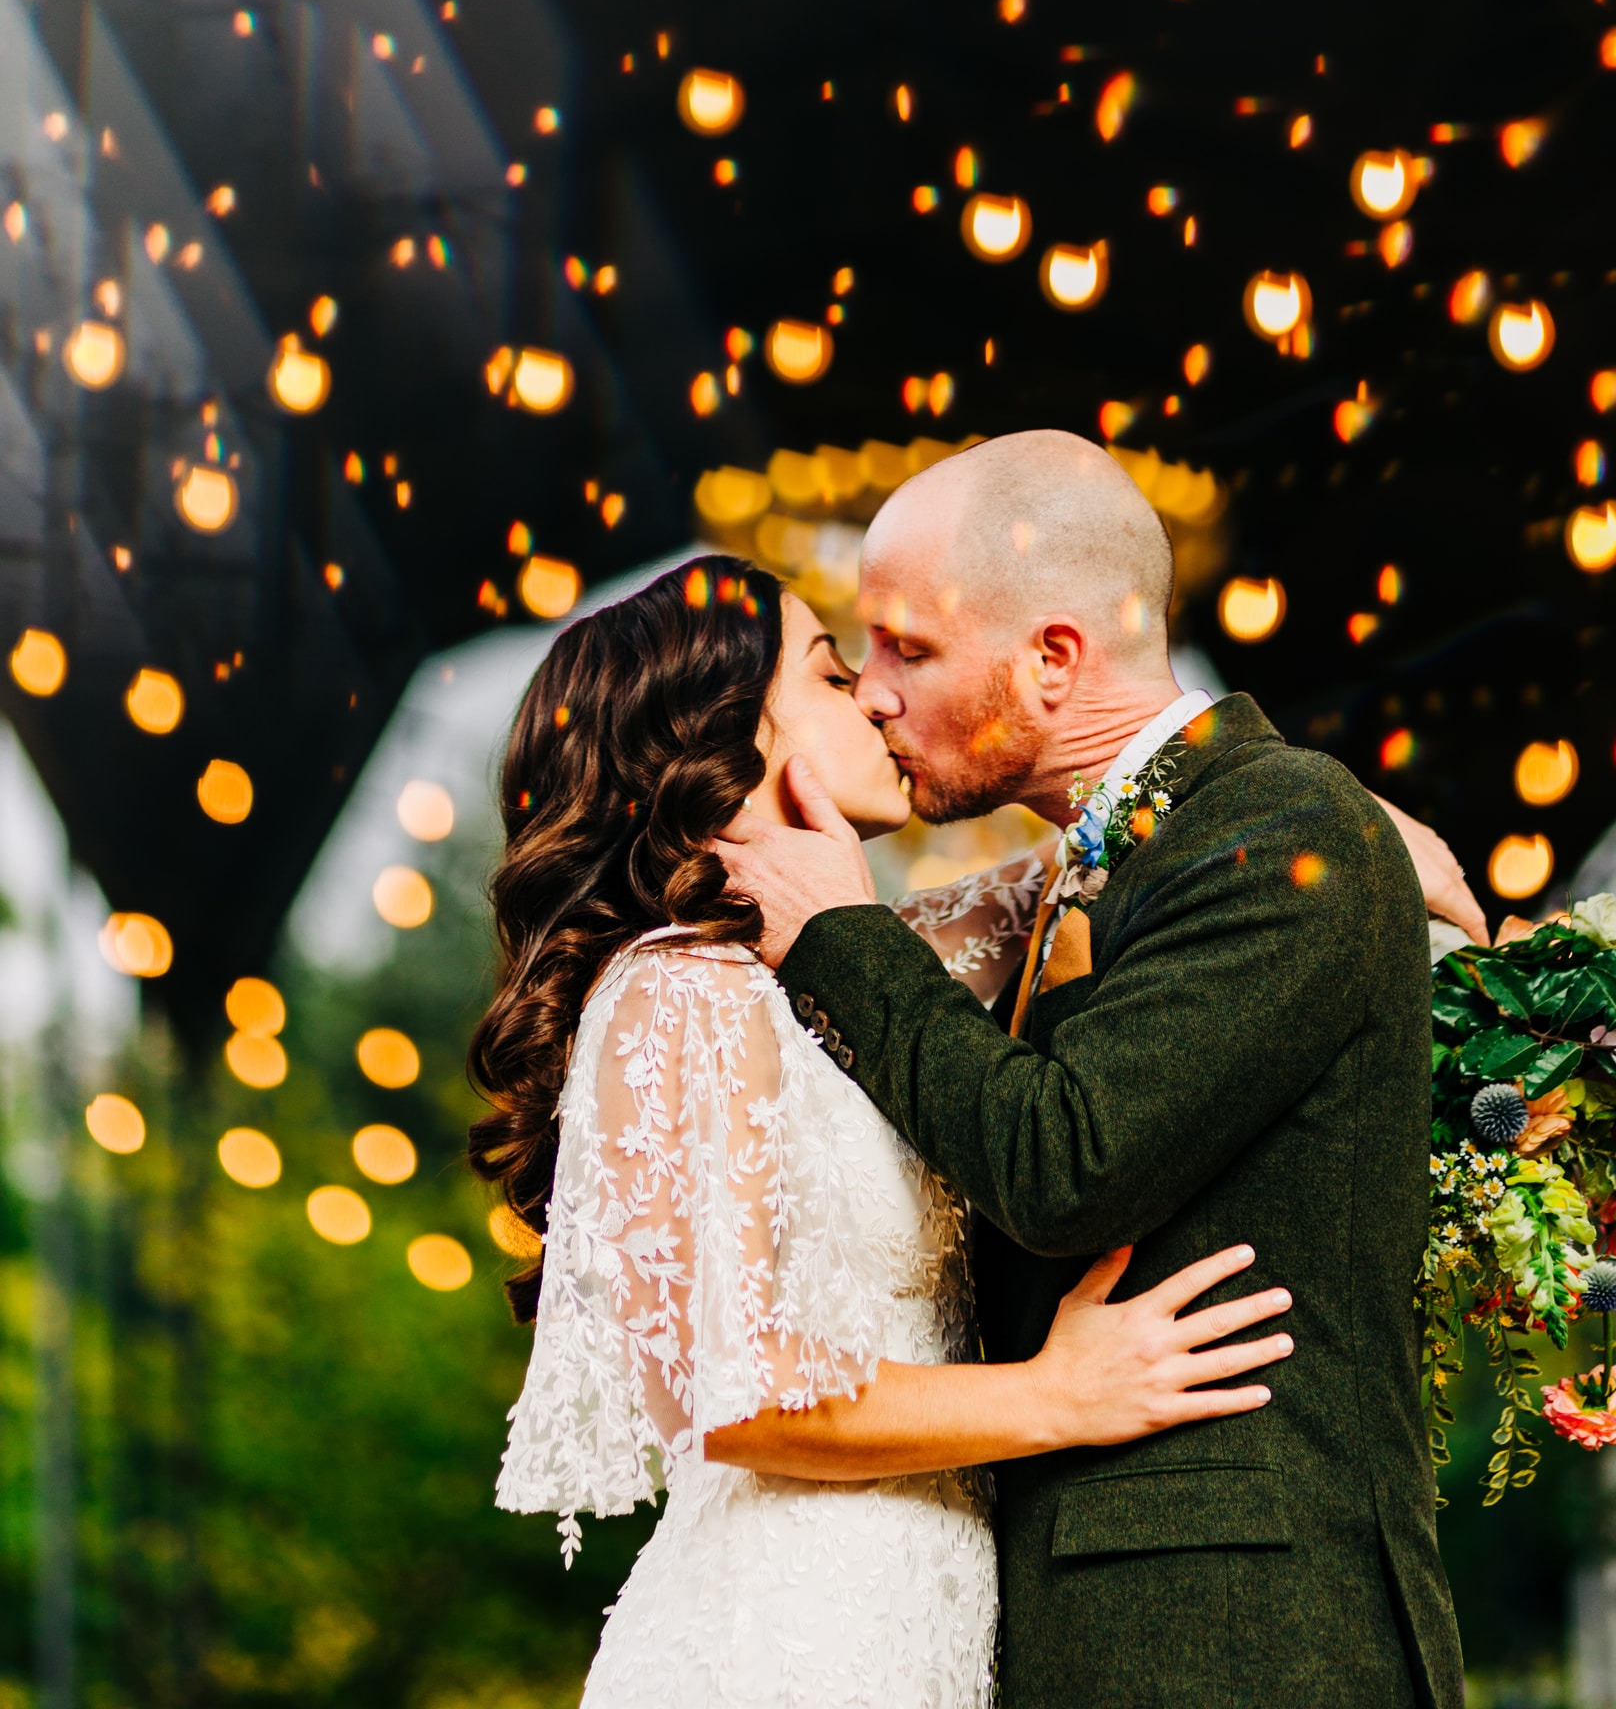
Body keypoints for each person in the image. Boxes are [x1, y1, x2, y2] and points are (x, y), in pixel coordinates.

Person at [721, 431, 1471, 1709]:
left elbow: (1065, 1166)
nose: (878, 695)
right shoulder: (1124, 858)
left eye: (910, 648)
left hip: (1242, 1640)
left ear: (1054, 659)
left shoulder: (1282, 829)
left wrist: (840, 934)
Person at [468, 558, 1297, 1709]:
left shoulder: (810, 981)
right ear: (719, 736)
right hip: (779, 1647)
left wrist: (1344, 827)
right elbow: (734, 1389)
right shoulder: (679, 995)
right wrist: (1061, 1395)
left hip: (914, 1632)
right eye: (828, 669)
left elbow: (1075, 873)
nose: (871, 699)